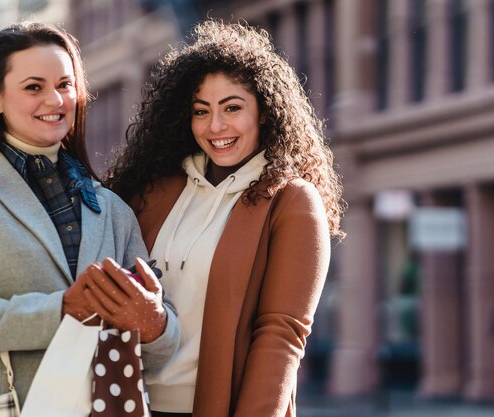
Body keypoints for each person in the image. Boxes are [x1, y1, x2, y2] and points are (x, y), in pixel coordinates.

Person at [0, 21, 179, 416]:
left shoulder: (113, 209)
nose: (55, 100)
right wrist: (61, 310)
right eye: (34, 87)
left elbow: (161, 341)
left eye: (65, 85)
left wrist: (154, 323)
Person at [106, 20, 345, 417]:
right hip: (132, 403)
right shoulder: (155, 191)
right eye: (202, 111)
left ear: (265, 113)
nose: (216, 127)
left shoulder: (290, 202)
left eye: (232, 108)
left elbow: (281, 336)